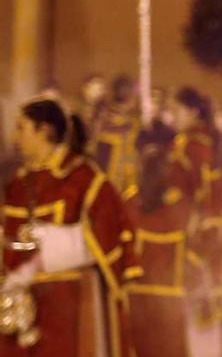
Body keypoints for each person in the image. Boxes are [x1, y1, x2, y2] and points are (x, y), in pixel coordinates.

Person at [0, 97, 141, 356]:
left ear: (45, 131)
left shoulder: (83, 179)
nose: (15, 136)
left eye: (21, 127)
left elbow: (108, 237)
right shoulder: (16, 185)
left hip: (70, 306)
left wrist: (48, 247)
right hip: (18, 311)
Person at [128, 87, 222, 357]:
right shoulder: (206, 142)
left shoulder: (188, 146)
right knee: (200, 316)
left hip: (191, 232)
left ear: (192, 111)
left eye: (176, 110)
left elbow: (199, 195)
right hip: (203, 229)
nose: (172, 116)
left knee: (190, 313)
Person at [91, 74, 141, 199]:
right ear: (130, 97)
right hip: (117, 191)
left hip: (106, 189)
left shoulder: (101, 123)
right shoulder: (132, 127)